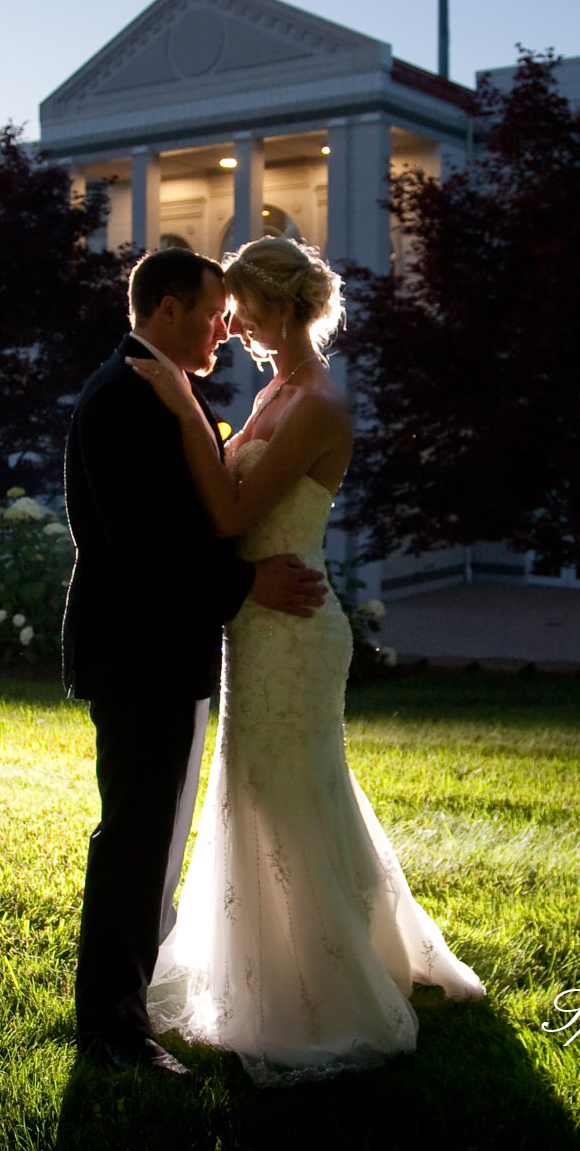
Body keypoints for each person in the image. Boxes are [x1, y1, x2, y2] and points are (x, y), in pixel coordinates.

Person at [127, 236, 485, 1086]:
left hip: (295, 629)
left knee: (287, 791)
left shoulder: (319, 402)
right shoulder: (274, 389)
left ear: (281, 308)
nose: (230, 322)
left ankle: (323, 990)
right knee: (270, 787)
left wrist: (183, 410)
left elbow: (232, 512)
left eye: (241, 307)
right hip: (256, 621)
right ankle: (313, 956)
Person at [63, 247, 327, 1075]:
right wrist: (248, 582)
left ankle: (126, 1009)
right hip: (139, 656)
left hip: (164, 653)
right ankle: (113, 1031)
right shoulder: (123, 400)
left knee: (154, 838)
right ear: (168, 309)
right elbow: (144, 546)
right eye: (214, 313)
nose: (225, 329)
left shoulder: (162, 391)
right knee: (138, 841)